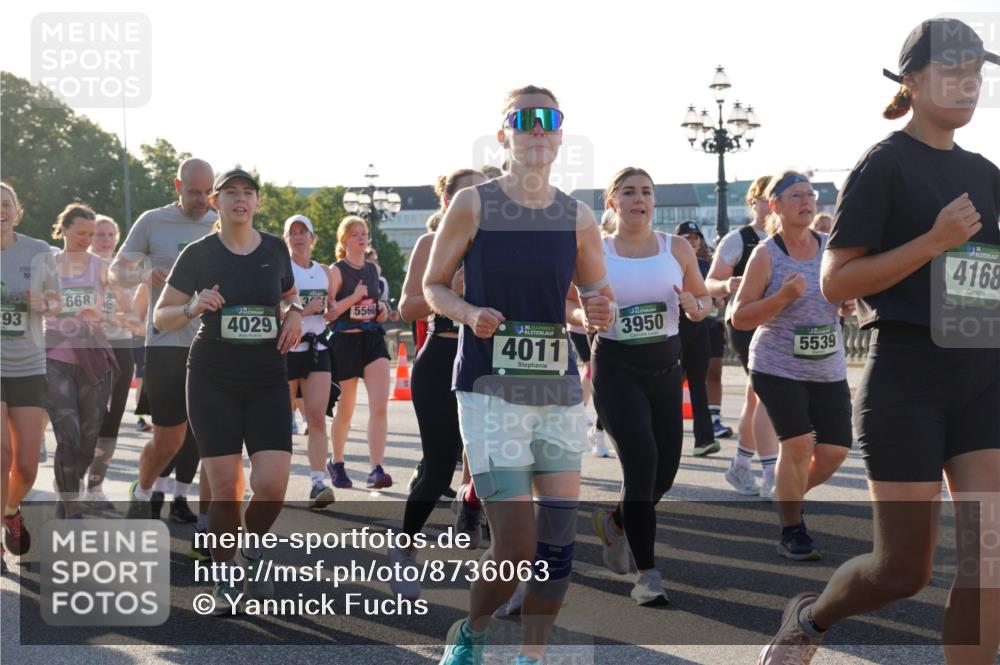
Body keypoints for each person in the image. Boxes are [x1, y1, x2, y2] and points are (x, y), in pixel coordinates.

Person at [760, 19, 999, 664]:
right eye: (953, 70)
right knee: (902, 572)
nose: (968, 83)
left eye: (976, 72)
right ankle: (810, 619)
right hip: (907, 383)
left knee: (988, 565)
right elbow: (836, 283)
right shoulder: (885, 163)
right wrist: (932, 242)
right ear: (913, 80)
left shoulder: (986, 172)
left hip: (982, 379)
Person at [425, 85, 614, 665]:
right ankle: (472, 632)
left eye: (548, 119)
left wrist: (597, 310)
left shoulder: (579, 216)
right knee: (516, 545)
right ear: (503, 133)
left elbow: (591, 296)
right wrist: (469, 313)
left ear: (560, 135)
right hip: (488, 390)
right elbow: (433, 287)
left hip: (555, 391)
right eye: (524, 119)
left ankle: (532, 656)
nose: (538, 128)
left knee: (557, 547)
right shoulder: (474, 204)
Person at [154, 168, 302, 612]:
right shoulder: (199, 253)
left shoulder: (275, 249)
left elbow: (291, 296)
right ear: (216, 203)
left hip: (267, 378)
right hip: (212, 377)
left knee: (272, 485)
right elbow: (163, 317)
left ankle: (252, 551)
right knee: (225, 487)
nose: (240, 199)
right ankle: (225, 577)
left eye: (248, 193)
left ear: (257, 202)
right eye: (231, 193)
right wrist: (193, 305)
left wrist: (294, 314)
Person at [590, 169, 710, 606]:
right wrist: (585, 316)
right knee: (641, 464)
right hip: (617, 370)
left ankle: (617, 522)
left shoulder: (675, 247)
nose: (638, 199)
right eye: (628, 192)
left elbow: (702, 300)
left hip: (665, 370)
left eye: (646, 192)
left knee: (666, 472)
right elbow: (567, 302)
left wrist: (696, 307)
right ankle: (648, 575)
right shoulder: (596, 252)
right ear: (612, 202)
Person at [731, 171, 854, 561]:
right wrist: (782, 297)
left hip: (827, 366)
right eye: (796, 195)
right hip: (776, 365)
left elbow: (842, 296)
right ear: (775, 205)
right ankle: (791, 528)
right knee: (799, 443)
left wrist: (846, 305)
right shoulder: (767, 253)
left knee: (834, 451)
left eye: (810, 195)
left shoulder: (831, 247)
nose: (806, 201)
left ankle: (788, 496)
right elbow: (740, 317)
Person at [390, 168, 487, 601]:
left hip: (489, 361)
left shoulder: (497, 242)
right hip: (442, 358)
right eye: (465, 194)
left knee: (500, 462)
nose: (474, 202)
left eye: (482, 194)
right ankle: (404, 550)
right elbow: (406, 305)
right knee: (439, 464)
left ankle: (501, 560)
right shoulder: (431, 243)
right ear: (445, 202)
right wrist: (448, 290)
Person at [114, 158, 215, 540]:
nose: (202, 200)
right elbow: (115, 272)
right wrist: (143, 274)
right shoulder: (152, 221)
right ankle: (142, 491)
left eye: (208, 192)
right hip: (165, 341)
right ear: (177, 185)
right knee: (169, 437)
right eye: (194, 193)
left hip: (210, 343)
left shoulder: (220, 223)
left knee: (202, 434)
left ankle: (181, 498)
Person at [706, 176, 780, 497]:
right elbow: (709, 282)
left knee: (755, 397)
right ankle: (771, 474)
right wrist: (727, 286)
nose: (772, 203)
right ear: (753, 203)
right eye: (766, 197)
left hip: (781, 324)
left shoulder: (792, 238)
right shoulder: (739, 240)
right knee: (767, 394)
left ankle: (739, 465)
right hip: (746, 324)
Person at [1, 182, 60, 572]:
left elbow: (58, 302)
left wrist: (44, 303)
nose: (0, 210)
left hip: (29, 365)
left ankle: (10, 509)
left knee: (25, 465)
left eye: (5, 204)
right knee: (0, 454)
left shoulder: (38, 251)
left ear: (17, 211)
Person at [45, 204, 117, 519]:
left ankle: (67, 485)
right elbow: (36, 306)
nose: (87, 239)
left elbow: (117, 310)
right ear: (63, 230)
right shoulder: (47, 264)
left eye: (91, 233)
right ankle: (71, 504)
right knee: (68, 435)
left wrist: (99, 314)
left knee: (88, 440)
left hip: (93, 358)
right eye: (81, 233)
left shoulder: (102, 267)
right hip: (55, 357)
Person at [326, 217, 393, 490]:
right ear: (344, 241)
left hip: (372, 340)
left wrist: (383, 310)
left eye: (364, 233)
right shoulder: (336, 271)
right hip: (345, 342)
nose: (361, 238)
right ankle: (337, 462)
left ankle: (376, 468)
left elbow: (377, 302)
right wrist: (353, 298)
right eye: (355, 234)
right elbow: (329, 313)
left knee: (380, 405)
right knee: (347, 408)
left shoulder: (373, 268)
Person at [83, 216, 141, 510]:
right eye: (99, 234)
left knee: (111, 423)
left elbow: (136, 317)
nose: (105, 240)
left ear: (117, 238)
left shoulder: (124, 271)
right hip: (86, 349)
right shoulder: (79, 268)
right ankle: (70, 485)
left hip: (120, 348)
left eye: (110, 234)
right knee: (85, 421)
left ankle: (95, 488)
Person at [283, 214, 336, 509]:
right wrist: (303, 311)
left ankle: (318, 481)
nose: (299, 236)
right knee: (280, 420)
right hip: (287, 348)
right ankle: (272, 482)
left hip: (317, 348)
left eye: (304, 232)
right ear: (286, 238)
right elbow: (276, 310)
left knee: (316, 418)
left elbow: (331, 309)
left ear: (313, 238)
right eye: (293, 232)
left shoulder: (324, 271)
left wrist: (332, 310)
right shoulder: (282, 270)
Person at [675, 220, 721, 457]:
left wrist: (716, 300)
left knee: (698, 385)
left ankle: (704, 439)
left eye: (695, 237)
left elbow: (711, 295)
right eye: (687, 237)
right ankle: (667, 437)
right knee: (671, 386)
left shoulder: (705, 265)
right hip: (675, 330)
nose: (692, 241)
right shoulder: (671, 263)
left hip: (700, 329)